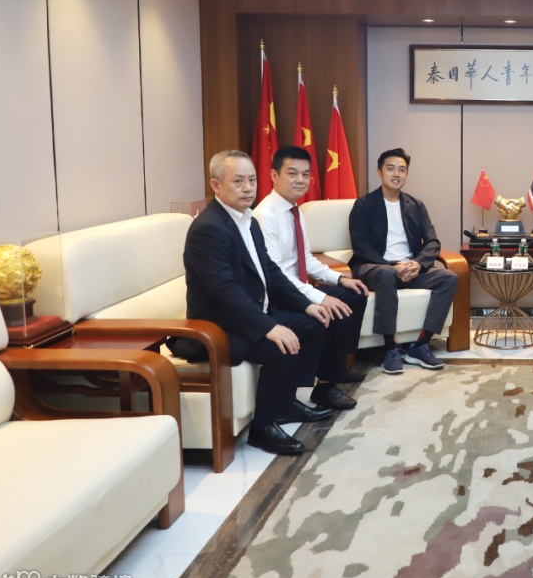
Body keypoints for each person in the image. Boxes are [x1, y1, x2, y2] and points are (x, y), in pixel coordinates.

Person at [184, 150, 348, 456]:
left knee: (313, 323)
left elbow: (271, 271)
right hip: (219, 326)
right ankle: (263, 429)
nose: (248, 188)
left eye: (251, 180)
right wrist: (269, 327)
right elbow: (225, 291)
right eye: (238, 181)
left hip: (250, 313)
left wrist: (306, 304)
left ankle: (285, 403)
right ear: (216, 185)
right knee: (280, 346)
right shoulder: (209, 229)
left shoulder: (248, 220)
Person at [254, 146, 370, 403]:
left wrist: (340, 279)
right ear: (274, 175)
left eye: (305, 174)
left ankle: (335, 368)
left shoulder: (295, 210)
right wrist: (320, 298)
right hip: (280, 295)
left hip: (299, 287)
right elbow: (277, 275)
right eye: (292, 173)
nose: (300, 180)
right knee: (334, 309)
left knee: (355, 294)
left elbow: (305, 259)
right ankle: (324, 387)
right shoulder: (264, 216)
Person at [348, 148, 458, 375]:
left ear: (407, 174)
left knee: (449, 278)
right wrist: (392, 267)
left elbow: (433, 241)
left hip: (410, 268)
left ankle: (421, 344)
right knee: (387, 274)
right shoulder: (364, 204)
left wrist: (417, 264)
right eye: (390, 168)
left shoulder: (416, 205)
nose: (396, 174)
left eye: (402, 170)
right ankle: (390, 347)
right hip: (376, 268)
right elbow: (360, 245)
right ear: (379, 172)